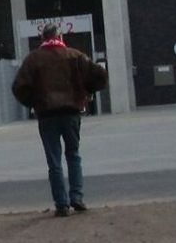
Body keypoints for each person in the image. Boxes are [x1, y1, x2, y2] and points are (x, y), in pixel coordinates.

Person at [11, 23, 108, 216]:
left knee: (54, 161)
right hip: (71, 112)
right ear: (60, 37)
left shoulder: (33, 59)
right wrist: (86, 92)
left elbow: (18, 87)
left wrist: (33, 102)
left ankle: (61, 204)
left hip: (47, 115)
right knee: (73, 155)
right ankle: (77, 197)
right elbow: (100, 76)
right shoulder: (75, 55)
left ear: (42, 38)